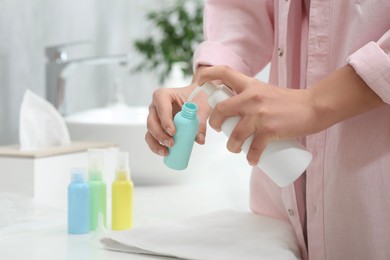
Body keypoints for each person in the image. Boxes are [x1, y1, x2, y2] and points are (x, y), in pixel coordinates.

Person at [145, 1, 390, 259]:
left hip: (370, 201)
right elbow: (241, 8)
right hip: (279, 211)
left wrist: (314, 104)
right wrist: (208, 85)